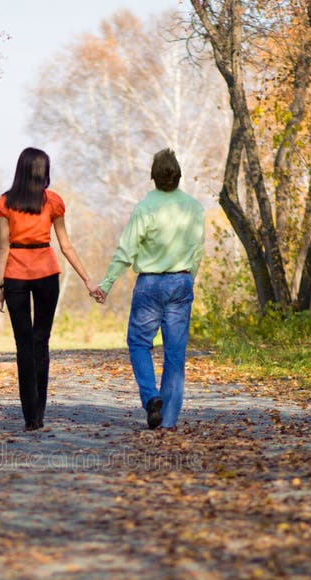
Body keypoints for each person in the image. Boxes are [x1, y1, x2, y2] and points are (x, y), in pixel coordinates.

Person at [94, 148, 205, 430]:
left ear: (153, 177)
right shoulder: (193, 208)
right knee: (175, 353)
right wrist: (189, 277)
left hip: (150, 285)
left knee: (139, 343)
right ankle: (167, 421)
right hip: (181, 282)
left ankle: (151, 396)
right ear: (178, 175)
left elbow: (125, 250)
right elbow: (197, 250)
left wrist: (106, 284)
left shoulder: (145, 208)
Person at [0, 147, 96, 430]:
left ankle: (30, 417)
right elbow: (65, 245)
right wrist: (87, 280)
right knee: (41, 341)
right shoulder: (53, 202)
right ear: (43, 170)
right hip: (47, 274)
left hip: (15, 274)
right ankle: (39, 413)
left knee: (23, 344)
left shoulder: (5, 202)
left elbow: (3, 245)